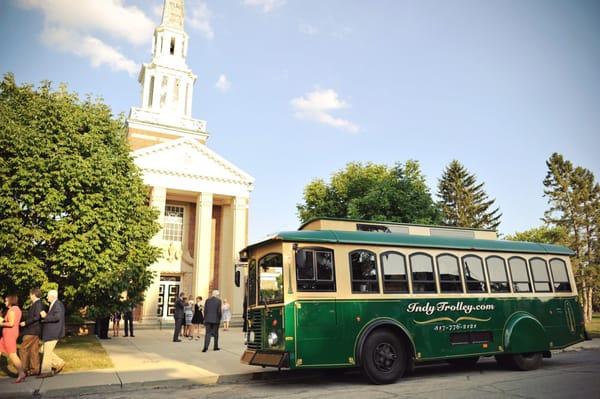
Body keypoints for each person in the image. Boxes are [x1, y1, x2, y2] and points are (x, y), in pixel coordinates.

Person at [39, 289, 66, 378]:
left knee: (46, 352)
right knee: (43, 350)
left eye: (48, 296)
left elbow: (57, 317)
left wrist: (45, 316)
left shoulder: (57, 304)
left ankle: (46, 371)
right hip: (52, 332)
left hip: (53, 332)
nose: (47, 297)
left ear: (53, 296)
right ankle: (59, 362)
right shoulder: (55, 304)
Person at [0, 294, 26, 383]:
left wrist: (1, 323)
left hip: (9, 335)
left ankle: (21, 373)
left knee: (12, 354)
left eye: (6, 300)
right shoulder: (16, 309)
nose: (5, 302)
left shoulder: (12, 310)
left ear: (11, 301)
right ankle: (22, 373)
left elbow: (11, 324)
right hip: (8, 335)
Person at [19, 288, 43, 376]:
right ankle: (34, 370)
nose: (29, 296)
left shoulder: (38, 303)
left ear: (33, 294)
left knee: (23, 349)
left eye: (30, 294)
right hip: (35, 331)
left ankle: (23, 370)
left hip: (32, 330)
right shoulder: (36, 304)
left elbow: (37, 317)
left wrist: (25, 322)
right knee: (34, 351)